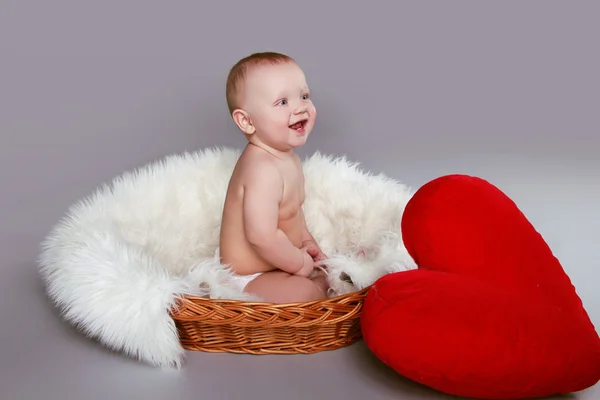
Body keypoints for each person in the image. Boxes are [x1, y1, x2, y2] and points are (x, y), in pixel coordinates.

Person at [218, 51, 329, 303]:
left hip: (280, 264)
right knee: (305, 293)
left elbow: (293, 213)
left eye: (304, 96)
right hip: (249, 276)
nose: (300, 107)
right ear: (246, 121)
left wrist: (309, 245)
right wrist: (300, 263)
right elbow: (262, 236)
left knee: (323, 271)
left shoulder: (288, 158)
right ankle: (322, 285)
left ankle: (325, 278)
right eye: (282, 102)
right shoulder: (261, 169)